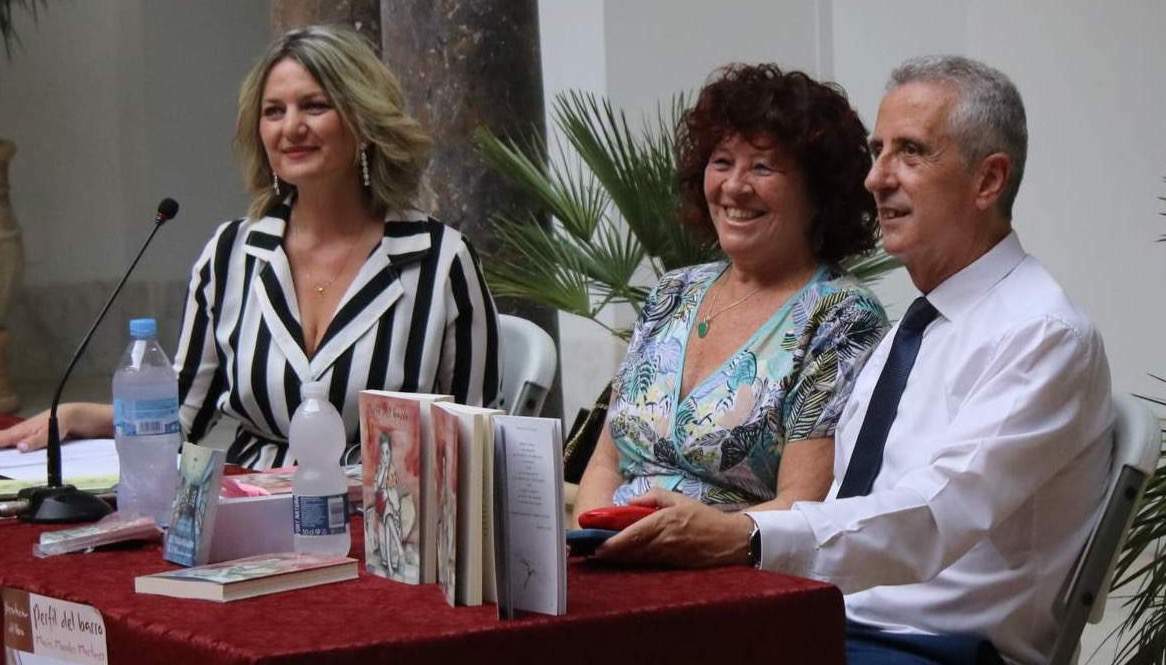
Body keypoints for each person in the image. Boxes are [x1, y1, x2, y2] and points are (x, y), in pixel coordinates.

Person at [597, 55, 1112, 665]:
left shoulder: (1042, 334)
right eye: (877, 150)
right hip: (826, 621)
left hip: (930, 649)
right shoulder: (918, 328)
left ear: (988, 181)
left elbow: (933, 515)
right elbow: (844, 495)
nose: (877, 178)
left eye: (911, 152)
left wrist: (743, 535)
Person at [0, 25, 499, 469]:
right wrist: (80, 413)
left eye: (315, 105)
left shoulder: (439, 262)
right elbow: (185, 415)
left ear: (364, 122)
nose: (291, 128)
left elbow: (476, 439)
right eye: (273, 112)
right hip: (252, 519)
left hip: (389, 529)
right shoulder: (230, 254)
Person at [571, 63, 888, 525]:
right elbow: (605, 463)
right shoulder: (673, 292)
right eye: (722, 162)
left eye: (762, 167)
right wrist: (592, 542)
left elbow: (802, 510)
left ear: (819, 192)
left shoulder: (841, 317)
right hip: (610, 561)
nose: (735, 187)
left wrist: (694, 542)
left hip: (733, 576)